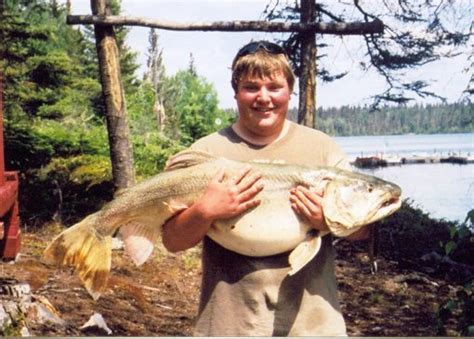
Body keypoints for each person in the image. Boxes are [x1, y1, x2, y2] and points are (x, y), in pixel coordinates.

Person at [161, 40, 369, 336]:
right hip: (230, 325)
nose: (263, 98)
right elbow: (172, 241)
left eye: (274, 87)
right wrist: (205, 211)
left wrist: (329, 222)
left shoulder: (321, 149)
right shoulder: (208, 151)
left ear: (289, 91)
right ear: (235, 92)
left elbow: (363, 229)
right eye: (251, 87)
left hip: (313, 326)